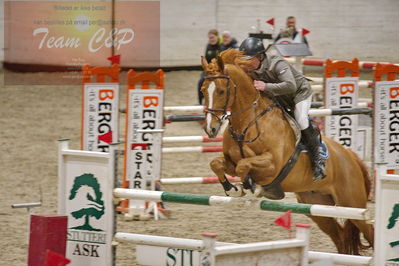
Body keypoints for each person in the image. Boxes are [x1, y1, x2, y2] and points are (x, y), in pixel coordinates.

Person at [238, 37, 325, 181]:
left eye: (249, 59)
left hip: (299, 93)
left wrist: (266, 87)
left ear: (260, 56)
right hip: (279, 97)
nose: (246, 63)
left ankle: (318, 158)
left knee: (301, 120)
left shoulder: (276, 63)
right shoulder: (251, 68)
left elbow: (291, 86)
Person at [198, 29, 221, 105]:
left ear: (217, 37)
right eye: (210, 38)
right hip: (209, 69)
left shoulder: (221, 46)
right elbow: (206, 59)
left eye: (213, 37)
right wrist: (208, 69)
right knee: (201, 81)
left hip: (218, 69)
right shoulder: (208, 46)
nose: (211, 39)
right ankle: (200, 101)